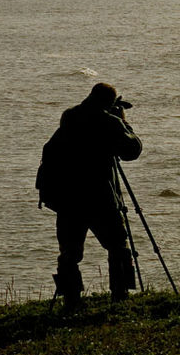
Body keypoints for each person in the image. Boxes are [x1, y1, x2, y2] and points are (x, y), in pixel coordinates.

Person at [40, 83, 143, 308]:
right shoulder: (108, 122)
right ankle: (120, 295)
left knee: (69, 252)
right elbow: (132, 150)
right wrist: (123, 121)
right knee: (118, 245)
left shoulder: (69, 118)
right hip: (100, 197)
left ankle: (71, 300)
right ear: (109, 102)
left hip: (68, 199)